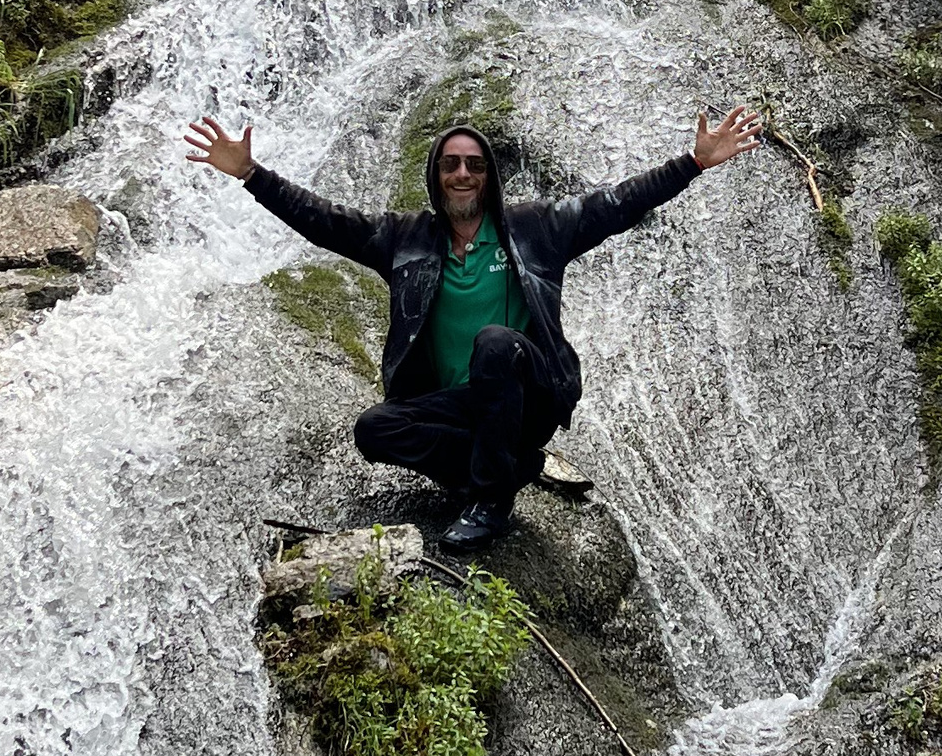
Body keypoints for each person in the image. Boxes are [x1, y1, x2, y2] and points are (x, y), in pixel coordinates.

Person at [183, 102, 762, 548]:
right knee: (374, 429)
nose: (463, 174)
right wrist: (251, 174)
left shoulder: (536, 228)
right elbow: (324, 222)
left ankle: (489, 502)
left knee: (495, 342)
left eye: (475, 165)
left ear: (488, 177)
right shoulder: (404, 238)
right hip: (459, 403)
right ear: (436, 176)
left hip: (526, 394)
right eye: (451, 164)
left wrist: (693, 163)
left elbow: (615, 205)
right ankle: (512, 466)